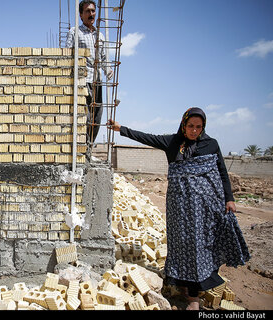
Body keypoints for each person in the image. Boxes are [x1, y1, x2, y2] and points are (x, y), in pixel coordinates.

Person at [108, 107, 250, 310]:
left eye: (198, 127)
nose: (194, 130)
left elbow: (222, 172)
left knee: (199, 246)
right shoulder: (173, 143)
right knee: (181, 245)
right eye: (190, 126)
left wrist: (229, 198)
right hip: (179, 208)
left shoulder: (211, 145)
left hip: (205, 208)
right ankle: (184, 286)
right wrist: (121, 128)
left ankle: (194, 298)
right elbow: (146, 137)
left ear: (203, 127)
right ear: (184, 124)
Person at [66, 0, 114, 145]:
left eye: (93, 11)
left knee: (96, 117)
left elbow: (104, 57)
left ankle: (89, 147)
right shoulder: (75, 32)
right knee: (84, 116)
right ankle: (81, 147)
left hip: (97, 80)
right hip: (82, 80)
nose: (91, 14)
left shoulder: (100, 35)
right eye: (87, 11)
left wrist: (108, 69)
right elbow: (67, 54)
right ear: (81, 15)